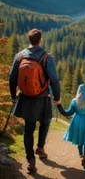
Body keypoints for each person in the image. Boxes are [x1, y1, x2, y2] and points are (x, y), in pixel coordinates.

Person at [9, 29, 61, 174]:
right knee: (46, 121)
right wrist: (57, 98)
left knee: (28, 130)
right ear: (40, 40)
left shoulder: (19, 56)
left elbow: (12, 78)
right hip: (42, 98)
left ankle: (31, 160)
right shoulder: (46, 57)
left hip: (25, 98)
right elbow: (54, 80)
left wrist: (14, 96)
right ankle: (40, 148)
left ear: (29, 40)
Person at [57, 84, 85, 168]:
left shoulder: (74, 101)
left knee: (80, 139)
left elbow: (66, 113)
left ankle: (81, 155)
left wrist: (59, 105)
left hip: (77, 122)